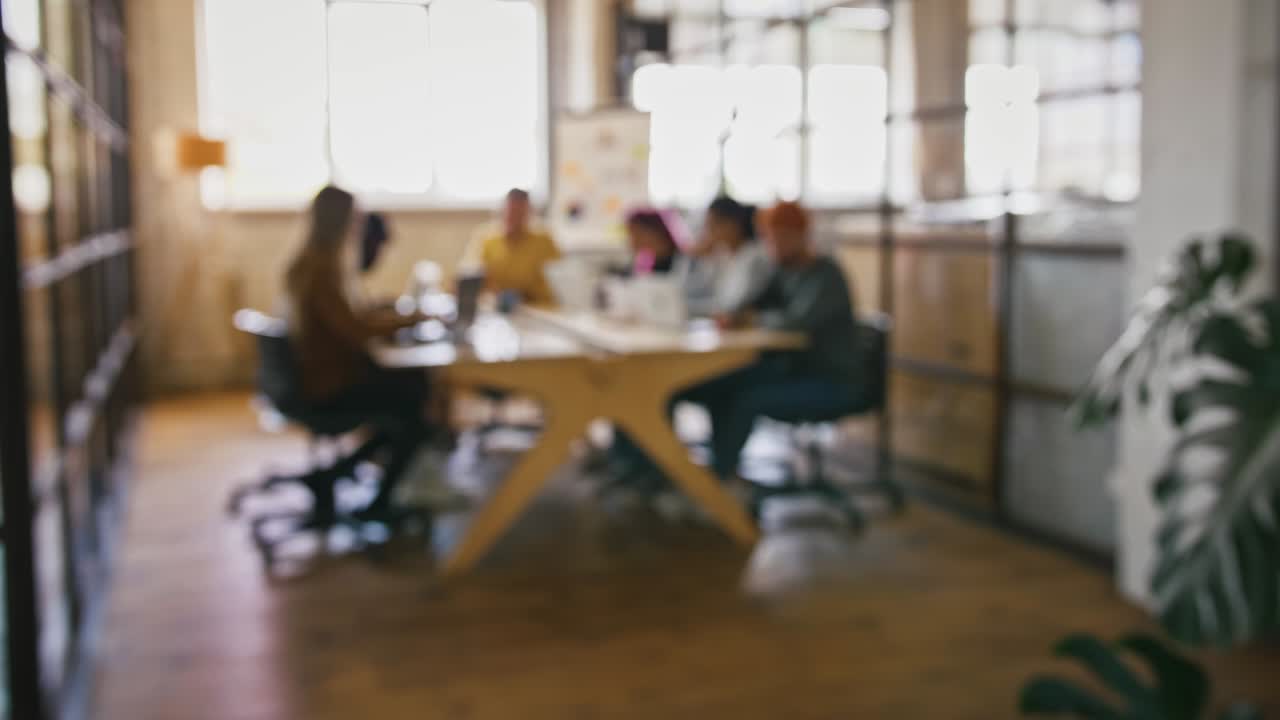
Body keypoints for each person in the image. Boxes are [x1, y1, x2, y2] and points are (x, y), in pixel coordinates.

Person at [683, 200, 865, 483]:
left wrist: (753, 319)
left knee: (744, 399)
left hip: (829, 379)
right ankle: (719, 474)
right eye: (768, 238)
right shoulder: (781, 270)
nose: (774, 245)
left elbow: (796, 323)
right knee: (720, 385)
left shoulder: (825, 274)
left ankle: (720, 479)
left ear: (802, 236)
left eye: (781, 237)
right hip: (791, 371)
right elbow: (743, 308)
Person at [283, 186, 432, 521]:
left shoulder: (319, 262)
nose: (360, 226)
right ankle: (378, 502)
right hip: (328, 387)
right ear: (342, 221)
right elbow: (356, 330)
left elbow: (351, 317)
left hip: (320, 377)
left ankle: (334, 476)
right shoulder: (322, 270)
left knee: (411, 398)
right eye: (357, 219)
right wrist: (409, 318)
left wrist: (389, 311)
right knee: (416, 402)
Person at [461, 188, 561, 306]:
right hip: (498, 305)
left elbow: (559, 277)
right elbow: (470, 270)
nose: (515, 219)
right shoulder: (486, 238)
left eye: (520, 213)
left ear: (529, 213)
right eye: (511, 212)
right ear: (502, 211)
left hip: (537, 305)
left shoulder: (544, 239)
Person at [684, 196, 774, 317]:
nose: (708, 232)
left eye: (712, 225)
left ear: (732, 224)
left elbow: (730, 307)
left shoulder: (754, 258)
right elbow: (700, 292)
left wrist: (685, 308)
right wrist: (697, 258)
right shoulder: (723, 255)